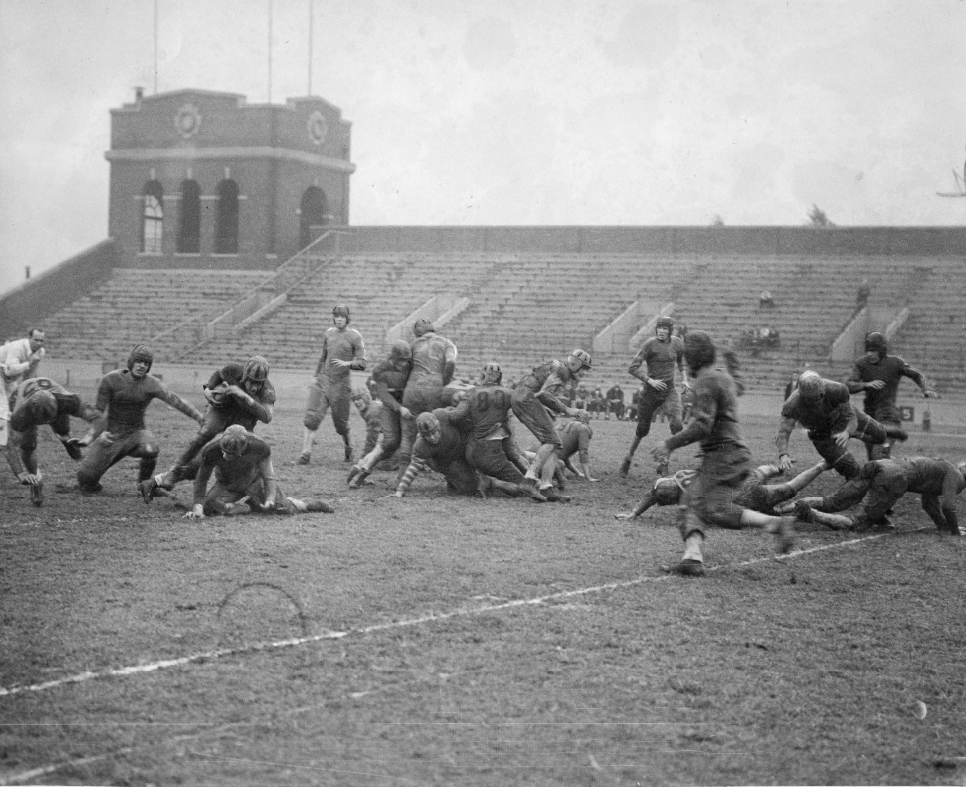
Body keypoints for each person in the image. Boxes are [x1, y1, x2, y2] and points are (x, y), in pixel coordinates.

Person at [650, 331, 803, 576]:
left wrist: (670, 443)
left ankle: (775, 524)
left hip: (723, 455)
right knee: (693, 503)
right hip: (731, 454)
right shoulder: (722, 377)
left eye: (687, 359)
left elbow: (702, 425)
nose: (686, 365)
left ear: (693, 360)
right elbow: (739, 385)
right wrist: (731, 357)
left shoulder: (706, 381)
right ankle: (692, 557)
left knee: (710, 508)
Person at [140, 356, 274, 501]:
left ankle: (159, 481)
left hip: (242, 425)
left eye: (258, 384)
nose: (254, 387)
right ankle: (173, 471)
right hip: (221, 410)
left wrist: (246, 397)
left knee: (231, 458)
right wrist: (208, 390)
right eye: (251, 382)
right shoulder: (233, 370)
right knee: (207, 436)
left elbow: (267, 417)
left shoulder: (267, 391)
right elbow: (218, 375)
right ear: (244, 376)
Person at [76, 344, 204, 493]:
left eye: (146, 363)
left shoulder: (151, 383)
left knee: (151, 448)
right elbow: (98, 412)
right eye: (139, 361)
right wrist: (98, 434)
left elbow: (176, 401)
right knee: (85, 479)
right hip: (111, 435)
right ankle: (93, 482)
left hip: (136, 433)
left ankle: (144, 485)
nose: (142, 366)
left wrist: (199, 417)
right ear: (131, 362)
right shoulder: (111, 380)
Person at [776, 370, 909, 480]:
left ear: (823, 390)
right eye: (809, 399)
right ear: (801, 395)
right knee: (851, 470)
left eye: (817, 396)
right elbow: (784, 431)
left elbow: (850, 416)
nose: (814, 401)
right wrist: (784, 454)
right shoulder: (791, 405)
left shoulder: (837, 389)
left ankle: (882, 430)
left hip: (842, 418)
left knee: (880, 435)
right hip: (822, 435)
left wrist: (847, 432)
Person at [449, 362, 550, 501]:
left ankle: (478, 477)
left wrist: (468, 420)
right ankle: (490, 481)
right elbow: (525, 404)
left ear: (484, 375)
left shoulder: (471, 392)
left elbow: (455, 417)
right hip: (491, 455)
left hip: (471, 451)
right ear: (499, 377)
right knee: (523, 487)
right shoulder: (508, 393)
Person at [185, 425, 334, 519]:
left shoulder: (260, 448)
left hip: (254, 481)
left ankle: (308, 505)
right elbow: (201, 480)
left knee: (284, 509)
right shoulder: (211, 451)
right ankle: (249, 507)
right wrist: (197, 507)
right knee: (209, 507)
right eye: (224, 451)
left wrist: (269, 499)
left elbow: (268, 478)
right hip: (227, 485)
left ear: (244, 448)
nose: (225, 456)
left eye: (231, 454)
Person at [792, 457, 965, 535]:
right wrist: (955, 531)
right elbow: (948, 507)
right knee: (860, 523)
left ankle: (782, 509)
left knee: (833, 502)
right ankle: (811, 514)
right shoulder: (955, 476)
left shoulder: (943, 468)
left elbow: (929, 502)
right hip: (895, 477)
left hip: (883, 464)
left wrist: (943, 525)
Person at [395, 410, 543, 501]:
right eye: (428, 435)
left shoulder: (444, 416)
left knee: (498, 456)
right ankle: (492, 483)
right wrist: (400, 490)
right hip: (449, 462)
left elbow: (463, 415)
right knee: (470, 486)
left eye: (434, 432)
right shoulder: (421, 446)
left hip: (466, 445)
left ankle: (539, 464)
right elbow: (413, 468)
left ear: (439, 425)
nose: (433, 437)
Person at [615, 460, 828, 521]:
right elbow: (652, 494)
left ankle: (820, 467)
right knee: (761, 474)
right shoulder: (678, 477)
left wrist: (634, 513)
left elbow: (652, 496)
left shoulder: (689, 500)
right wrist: (634, 513)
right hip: (734, 476)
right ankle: (778, 469)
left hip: (741, 495)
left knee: (785, 493)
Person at [3, 377, 99, 506]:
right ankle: (35, 480)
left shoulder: (67, 401)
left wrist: (89, 437)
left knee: (62, 428)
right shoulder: (21, 415)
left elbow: (96, 416)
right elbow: (9, 446)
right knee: (28, 446)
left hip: (53, 398)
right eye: (43, 420)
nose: (46, 422)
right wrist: (21, 474)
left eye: (50, 418)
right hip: (20, 397)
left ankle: (64, 436)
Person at [511, 349, 592, 499]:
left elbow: (539, 390)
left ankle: (546, 486)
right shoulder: (563, 371)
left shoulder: (560, 367)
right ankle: (529, 480)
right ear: (575, 364)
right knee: (551, 440)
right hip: (526, 398)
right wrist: (567, 410)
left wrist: (547, 407)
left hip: (523, 397)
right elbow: (544, 393)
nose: (585, 373)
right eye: (584, 368)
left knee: (556, 443)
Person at [846, 331, 935, 460]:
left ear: (882, 350)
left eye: (873, 351)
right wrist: (866, 384)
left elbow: (917, 375)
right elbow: (848, 384)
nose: (870, 354)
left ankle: (888, 453)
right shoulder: (861, 364)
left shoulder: (896, 363)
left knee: (879, 452)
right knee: (873, 458)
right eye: (868, 351)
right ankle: (891, 466)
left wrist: (926, 388)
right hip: (870, 415)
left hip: (888, 414)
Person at [621, 316, 690, 478]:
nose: (661, 331)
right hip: (650, 393)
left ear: (670, 330)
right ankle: (628, 457)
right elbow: (633, 367)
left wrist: (685, 379)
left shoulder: (677, 343)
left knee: (677, 425)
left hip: (668, 391)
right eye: (659, 328)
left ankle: (664, 463)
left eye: (665, 328)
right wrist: (650, 380)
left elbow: (680, 361)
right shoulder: (650, 344)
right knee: (642, 430)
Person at [299, 305, 367, 465]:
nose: (339, 319)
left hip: (341, 384)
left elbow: (362, 363)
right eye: (336, 316)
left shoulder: (355, 336)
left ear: (347, 318)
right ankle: (305, 453)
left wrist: (347, 363)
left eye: (342, 316)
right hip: (324, 380)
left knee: (341, 424)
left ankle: (349, 446)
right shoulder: (329, 333)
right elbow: (323, 357)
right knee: (312, 417)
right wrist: (316, 376)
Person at [397, 318, 458, 478]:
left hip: (414, 387)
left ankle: (401, 476)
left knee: (408, 433)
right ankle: (446, 471)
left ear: (418, 333)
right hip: (434, 386)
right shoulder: (447, 343)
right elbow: (451, 363)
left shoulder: (414, 344)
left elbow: (404, 369)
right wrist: (442, 382)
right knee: (434, 427)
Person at [347, 341, 413, 489]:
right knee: (390, 442)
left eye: (406, 360)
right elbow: (384, 395)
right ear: (393, 358)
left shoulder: (411, 365)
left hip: (408, 403)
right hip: (391, 406)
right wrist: (399, 408)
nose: (403, 364)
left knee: (400, 443)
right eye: (400, 360)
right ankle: (362, 470)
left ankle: (362, 468)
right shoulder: (380, 370)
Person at [0, 328, 46, 460]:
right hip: (2, 373)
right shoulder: (18, 348)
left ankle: (11, 437)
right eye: (36, 340)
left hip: (9, 379)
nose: (38, 343)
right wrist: (29, 363)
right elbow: (9, 370)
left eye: (41, 340)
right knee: (2, 407)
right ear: (29, 338)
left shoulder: (40, 352)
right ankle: (3, 442)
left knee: (15, 403)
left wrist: (28, 390)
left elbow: (30, 375)